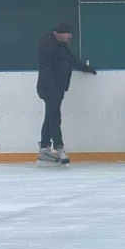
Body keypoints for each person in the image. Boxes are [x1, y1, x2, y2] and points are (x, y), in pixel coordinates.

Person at [36, 21, 97, 165]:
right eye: (68, 34)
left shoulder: (61, 45)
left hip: (58, 87)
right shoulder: (47, 44)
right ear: (60, 33)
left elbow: (72, 60)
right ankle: (59, 148)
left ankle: (44, 149)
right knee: (55, 117)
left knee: (50, 116)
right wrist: (51, 85)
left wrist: (86, 69)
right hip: (49, 87)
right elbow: (44, 66)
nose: (70, 37)